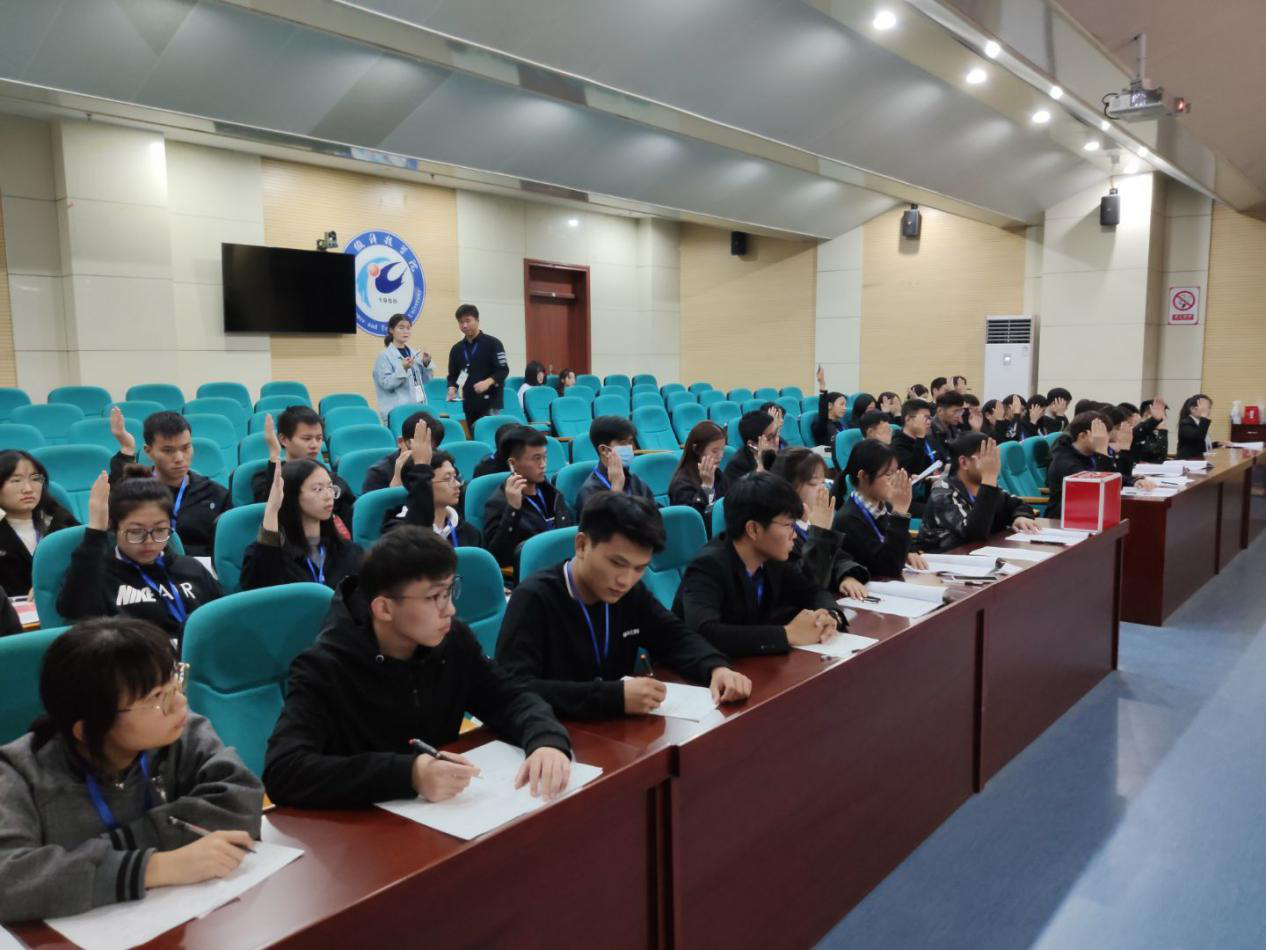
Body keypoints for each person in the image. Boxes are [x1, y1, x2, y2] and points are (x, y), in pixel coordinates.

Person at [263, 528, 573, 808]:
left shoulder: (452, 640)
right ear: (384, 608)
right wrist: (409, 773)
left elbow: (508, 697)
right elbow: (283, 770)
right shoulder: (324, 668)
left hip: (446, 814)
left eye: (449, 591)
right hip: (361, 828)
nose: (450, 609)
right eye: (434, 597)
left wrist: (545, 739)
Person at [0, 617, 263, 923]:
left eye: (175, 683)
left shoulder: (179, 732)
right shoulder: (19, 773)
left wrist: (105, 851)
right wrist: (156, 867)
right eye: (156, 698)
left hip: (179, 923)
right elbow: (9, 880)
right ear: (89, 729)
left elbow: (241, 800)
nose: (180, 703)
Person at [496, 492, 750, 720]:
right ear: (582, 545)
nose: (625, 580)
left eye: (639, 568)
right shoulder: (534, 598)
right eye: (617, 563)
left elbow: (674, 636)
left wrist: (715, 667)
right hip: (554, 733)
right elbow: (515, 687)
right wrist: (613, 696)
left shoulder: (630, 593)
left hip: (616, 729)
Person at [673, 473, 847, 657]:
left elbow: (812, 591)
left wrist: (829, 616)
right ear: (753, 529)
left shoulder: (770, 559)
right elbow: (706, 632)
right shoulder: (708, 566)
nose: (794, 535)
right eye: (789, 525)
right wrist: (787, 634)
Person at [57, 475, 222, 640]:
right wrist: (96, 532)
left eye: (160, 530)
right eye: (136, 532)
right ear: (114, 528)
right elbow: (74, 611)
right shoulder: (96, 574)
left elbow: (220, 619)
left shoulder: (192, 568)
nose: (149, 541)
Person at [107, 410, 228, 558]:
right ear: (148, 451)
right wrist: (126, 449)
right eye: (168, 450)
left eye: (186, 448)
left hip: (199, 567)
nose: (179, 458)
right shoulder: (136, 491)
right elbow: (110, 521)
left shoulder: (215, 493)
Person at [240, 461, 363, 591]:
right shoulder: (267, 554)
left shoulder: (348, 550)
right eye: (318, 489)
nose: (328, 496)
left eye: (330, 488)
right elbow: (260, 591)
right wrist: (272, 511)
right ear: (291, 495)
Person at [769, 449, 869, 598]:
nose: (823, 488)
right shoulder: (779, 531)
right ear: (788, 487)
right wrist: (820, 532)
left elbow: (838, 558)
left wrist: (846, 576)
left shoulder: (811, 520)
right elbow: (806, 584)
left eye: (823, 482)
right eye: (814, 483)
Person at [917, 435, 1040, 551]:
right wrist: (989, 478)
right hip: (946, 558)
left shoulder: (983, 485)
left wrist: (1021, 516)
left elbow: (1017, 504)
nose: (994, 463)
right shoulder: (942, 492)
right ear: (964, 462)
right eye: (986, 458)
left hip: (982, 554)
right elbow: (975, 533)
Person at [482, 426, 574, 570]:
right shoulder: (499, 502)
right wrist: (513, 510)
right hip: (535, 573)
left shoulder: (552, 493)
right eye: (536, 459)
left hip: (564, 566)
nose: (543, 465)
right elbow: (499, 557)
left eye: (544, 457)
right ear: (513, 463)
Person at [836, 439, 928, 577]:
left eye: (896, 472)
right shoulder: (848, 519)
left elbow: (902, 543)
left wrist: (910, 551)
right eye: (888, 474)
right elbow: (888, 568)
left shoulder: (885, 507)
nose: (895, 480)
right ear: (863, 476)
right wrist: (900, 512)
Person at [252, 408, 356, 528]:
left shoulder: (328, 476)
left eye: (319, 438)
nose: (314, 445)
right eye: (307, 439)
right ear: (284, 439)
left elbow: (349, 507)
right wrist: (274, 454)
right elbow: (272, 511)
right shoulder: (263, 478)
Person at [381, 436, 483, 548]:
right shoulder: (398, 532)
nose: (457, 484)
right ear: (423, 482)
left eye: (455, 477)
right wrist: (421, 468)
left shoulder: (468, 532)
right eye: (447, 478)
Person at [0, 450, 77, 597]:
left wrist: (56, 588)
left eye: (35, 479)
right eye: (16, 481)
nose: (28, 489)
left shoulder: (62, 523)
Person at [1045, 411, 1150, 517]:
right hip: (1064, 517)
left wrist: (1133, 480)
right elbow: (1099, 489)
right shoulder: (1065, 462)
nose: (1105, 439)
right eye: (1100, 435)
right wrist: (1102, 453)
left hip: (1090, 513)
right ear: (1082, 436)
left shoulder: (1090, 454)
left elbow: (1115, 478)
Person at [576, 416, 655, 514]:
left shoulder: (635, 481)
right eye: (623, 443)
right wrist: (617, 488)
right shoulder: (590, 492)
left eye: (630, 442)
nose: (631, 448)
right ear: (603, 450)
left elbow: (654, 516)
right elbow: (608, 523)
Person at [445, 303, 508, 426]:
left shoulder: (493, 343)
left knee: (490, 435)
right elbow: (453, 375)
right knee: (474, 435)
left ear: (477, 320)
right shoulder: (457, 349)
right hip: (469, 403)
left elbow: (503, 370)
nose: (464, 325)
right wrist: (452, 388)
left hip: (490, 402)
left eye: (468, 321)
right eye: (461, 322)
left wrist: (487, 382)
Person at [360, 410, 445, 494]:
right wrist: (398, 478)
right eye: (418, 447)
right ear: (401, 442)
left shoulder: (441, 463)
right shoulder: (378, 474)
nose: (423, 454)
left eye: (430, 450)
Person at [668, 421, 728, 532]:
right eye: (714, 451)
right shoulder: (681, 484)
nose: (720, 456)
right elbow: (693, 525)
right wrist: (707, 487)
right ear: (697, 450)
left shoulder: (717, 474)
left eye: (722, 450)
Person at [373, 313, 433, 424]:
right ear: (391, 330)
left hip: (418, 408)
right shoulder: (384, 356)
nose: (405, 331)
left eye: (408, 328)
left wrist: (426, 364)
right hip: (397, 411)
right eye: (401, 328)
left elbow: (426, 381)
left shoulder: (414, 353)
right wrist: (403, 369)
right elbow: (386, 384)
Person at [891, 398, 938, 516]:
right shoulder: (897, 444)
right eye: (925, 418)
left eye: (930, 418)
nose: (929, 422)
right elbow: (912, 471)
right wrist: (920, 437)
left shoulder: (928, 440)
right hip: (909, 498)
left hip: (931, 491)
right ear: (908, 419)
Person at [725, 410, 779, 481]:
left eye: (776, 434)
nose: (776, 441)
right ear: (752, 444)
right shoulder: (737, 466)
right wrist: (761, 466)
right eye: (770, 438)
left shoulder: (777, 455)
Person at [812, 367, 847, 448]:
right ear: (830, 405)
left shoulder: (840, 424)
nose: (844, 408)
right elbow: (823, 416)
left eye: (845, 405)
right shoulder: (821, 425)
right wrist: (822, 385)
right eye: (841, 404)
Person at [1177, 394, 1220, 459]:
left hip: (1198, 460)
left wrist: (1217, 444)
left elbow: (1201, 445)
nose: (1208, 411)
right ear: (1193, 409)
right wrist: (1204, 417)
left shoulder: (1199, 423)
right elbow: (1198, 438)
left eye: (1209, 408)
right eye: (1205, 408)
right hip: (1188, 461)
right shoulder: (1185, 423)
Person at [928, 391, 965, 459]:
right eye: (955, 411)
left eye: (960, 411)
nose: (959, 415)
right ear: (940, 411)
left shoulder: (956, 428)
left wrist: (976, 429)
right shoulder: (929, 431)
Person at [1133, 398, 1169, 463]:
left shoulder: (1159, 431)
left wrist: (1162, 432)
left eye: (1163, 414)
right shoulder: (1139, 432)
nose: (1161, 418)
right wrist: (1162, 432)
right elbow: (1151, 452)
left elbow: (1162, 457)